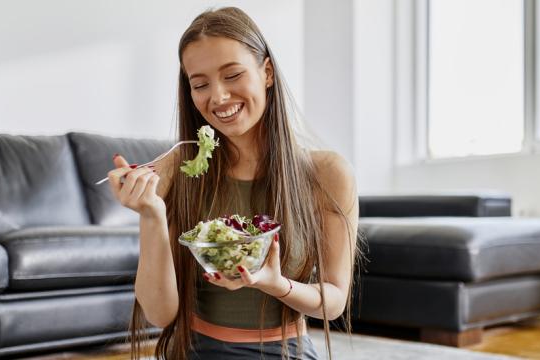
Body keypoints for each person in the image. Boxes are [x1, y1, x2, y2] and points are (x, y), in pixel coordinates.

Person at [107, 6, 361, 360]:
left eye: (232, 75)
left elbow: (332, 303)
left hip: (286, 352)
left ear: (267, 72)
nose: (219, 97)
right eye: (200, 84)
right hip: (196, 351)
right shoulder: (179, 170)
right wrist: (152, 215)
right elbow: (159, 314)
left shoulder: (327, 173)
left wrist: (277, 285)